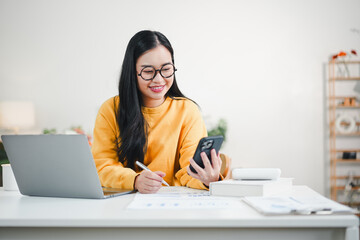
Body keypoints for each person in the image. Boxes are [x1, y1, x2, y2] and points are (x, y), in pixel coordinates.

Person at [92, 30, 223, 194]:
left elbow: (188, 171)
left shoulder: (187, 111)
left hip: (173, 200)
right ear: (132, 72)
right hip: (124, 202)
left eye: (166, 69)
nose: (159, 79)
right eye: (148, 71)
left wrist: (207, 180)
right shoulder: (110, 109)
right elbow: (102, 165)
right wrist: (135, 180)